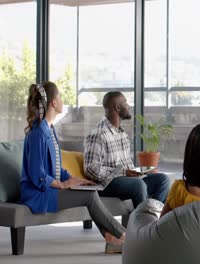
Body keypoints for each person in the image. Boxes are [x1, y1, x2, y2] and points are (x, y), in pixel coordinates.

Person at [21, 82, 126, 254]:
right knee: (90, 196)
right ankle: (123, 235)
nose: (62, 100)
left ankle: (113, 240)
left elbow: (57, 168)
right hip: (37, 195)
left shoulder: (50, 129)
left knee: (89, 189)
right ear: (54, 103)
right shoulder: (38, 133)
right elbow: (37, 175)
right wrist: (62, 185)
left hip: (47, 190)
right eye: (60, 96)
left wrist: (75, 180)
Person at [84, 91, 171, 209]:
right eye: (125, 102)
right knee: (138, 185)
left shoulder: (122, 134)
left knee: (163, 180)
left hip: (128, 180)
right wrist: (124, 172)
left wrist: (139, 172)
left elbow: (127, 166)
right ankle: (145, 223)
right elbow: (91, 169)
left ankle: (152, 217)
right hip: (107, 184)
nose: (129, 106)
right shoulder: (98, 134)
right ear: (117, 107)